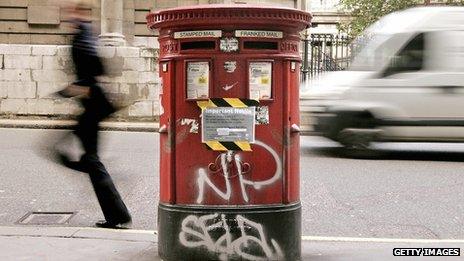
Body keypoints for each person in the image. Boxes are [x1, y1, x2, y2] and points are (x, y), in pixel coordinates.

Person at [56, 0, 131, 229]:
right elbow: (97, 70)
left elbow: (93, 72)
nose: (68, 16)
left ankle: (117, 214)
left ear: (80, 14)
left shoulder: (83, 37)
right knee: (86, 157)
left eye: (71, 12)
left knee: (76, 155)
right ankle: (117, 214)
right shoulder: (86, 34)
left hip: (92, 106)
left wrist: (69, 90)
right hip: (93, 107)